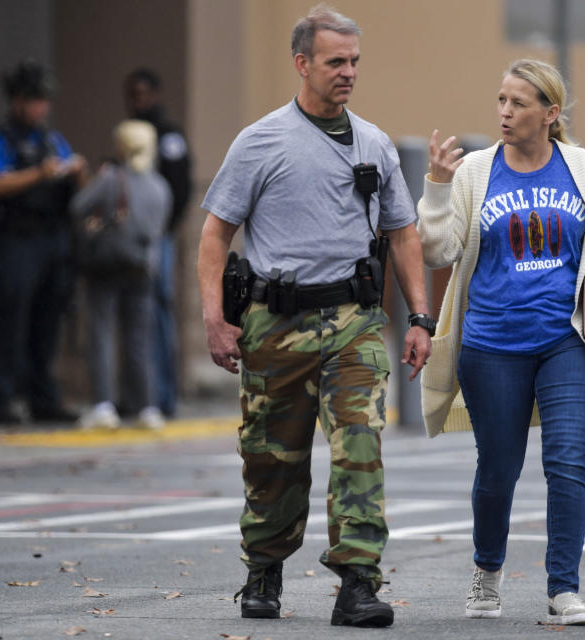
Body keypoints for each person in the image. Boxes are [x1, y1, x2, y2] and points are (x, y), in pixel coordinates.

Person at [197, 4, 433, 628]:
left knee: (360, 441)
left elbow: (404, 233)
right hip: (274, 323)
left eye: (354, 61)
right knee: (273, 456)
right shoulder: (261, 141)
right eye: (336, 62)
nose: (348, 72)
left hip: (354, 320)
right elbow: (215, 234)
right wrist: (215, 319)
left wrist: (420, 318)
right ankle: (264, 570)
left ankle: (358, 580)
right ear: (302, 64)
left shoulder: (375, 143)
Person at [416, 59, 585, 625]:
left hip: (567, 341)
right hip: (491, 344)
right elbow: (439, 251)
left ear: (550, 113)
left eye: (518, 103)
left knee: (568, 464)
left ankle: (565, 589)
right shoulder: (475, 173)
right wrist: (437, 188)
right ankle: (487, 571)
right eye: (501, 101)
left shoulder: (581, 166)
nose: (505, 112)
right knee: (498, 471)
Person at [0, 59, 88, 425]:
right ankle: (2, 396)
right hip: (17, 240)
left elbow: (78, 189)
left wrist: (78, 172)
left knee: (48, 321)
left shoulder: (51, 139)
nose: (41, 108)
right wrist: (37, 174)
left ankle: (43, 397)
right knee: (11, 318)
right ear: (17, 101)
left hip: (53, 240)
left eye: (45, 101)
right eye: (35, 100)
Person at [70, 120, 171, 430]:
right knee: (140, 339)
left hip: (108, 264)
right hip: (143, 268)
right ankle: (147, 407)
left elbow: (77, 207)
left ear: (121, 147)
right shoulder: (160, 186)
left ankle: (103, 405)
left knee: (101, 333)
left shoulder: (112, 178)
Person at [125, 68, 192, 419]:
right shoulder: (131, 132)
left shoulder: (168, 135)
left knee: (159, 309)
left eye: (143, 93)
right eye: (132, 94)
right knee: (137, 315)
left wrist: (163, 229)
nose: (138, 101)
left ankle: (163, 395)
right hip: (133, 236)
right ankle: (140, 394)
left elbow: (180, 188)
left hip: (159, 235)